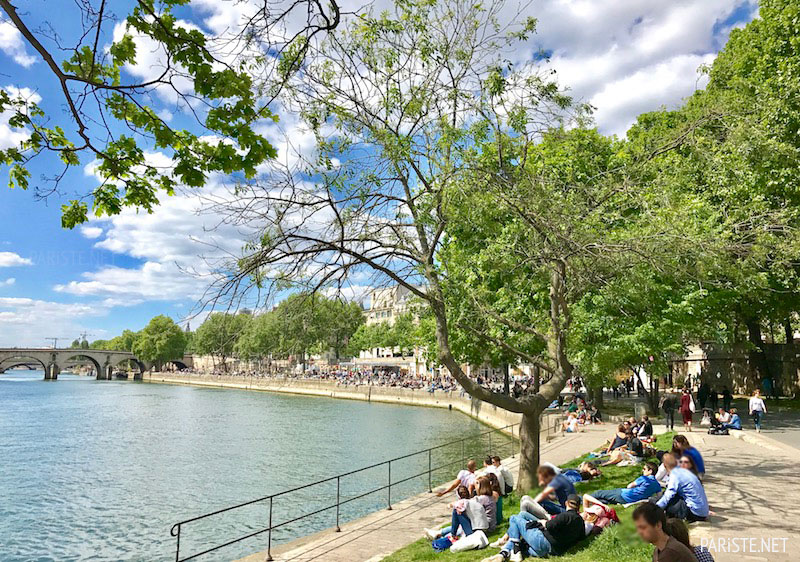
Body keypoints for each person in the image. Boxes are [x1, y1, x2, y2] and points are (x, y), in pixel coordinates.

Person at [484, 494, 585, 561]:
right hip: (552, 551)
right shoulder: (580, 521)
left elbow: (549, 526)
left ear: (567, 503)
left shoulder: (565, 516)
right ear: (578, 507)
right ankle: (504, 553)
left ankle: (515, 550)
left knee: (514, 518)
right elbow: (581, 537)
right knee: (523, 516)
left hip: (543, 542)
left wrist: (543, 522)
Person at [425, 483, 492, 541]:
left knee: (456, 511)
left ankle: (452, 535)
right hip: (485, 528)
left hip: (474, 532)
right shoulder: (474, 501)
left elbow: (456, 515)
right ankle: (442, 535)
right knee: (458, 516)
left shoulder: (460, 504)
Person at [655, 453, 709, 522]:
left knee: (669, 504)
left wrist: (656, 508)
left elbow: (668, 495)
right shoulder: (684, 471)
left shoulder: (675, 475)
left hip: (695, 513)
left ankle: (666, 521)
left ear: (664, 466)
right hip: (703, 511)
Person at [582, 462, 661, 505]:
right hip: (628, 501)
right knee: (608, 500)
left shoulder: (644, 479)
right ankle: (596, 503)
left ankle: (583, 500)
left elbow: (629, 486)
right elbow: (659, 496)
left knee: (600, 493)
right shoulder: (657, 485)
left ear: (650, 471)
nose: (642, 471)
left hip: (624, 494)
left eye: (644, 469)